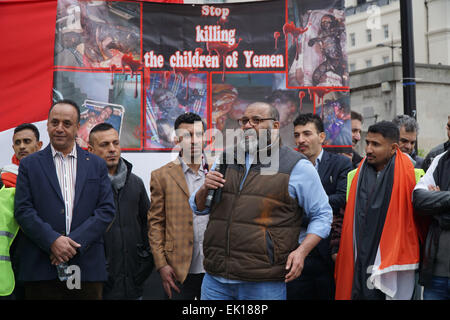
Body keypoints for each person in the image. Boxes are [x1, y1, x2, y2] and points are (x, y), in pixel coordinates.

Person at [190, 102, 332, 300]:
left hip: (263, 281)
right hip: (216, 279)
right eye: (244, 121)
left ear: (275, 127)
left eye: (256, 120)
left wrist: (301, 251)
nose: (248, 125)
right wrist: (204, 188)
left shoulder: (297, 166)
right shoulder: (227, 158)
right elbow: (198, 207)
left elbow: (323, 215)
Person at [14, 100, 115, 300]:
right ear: (48, 125)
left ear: (78, 127)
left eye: (67, 123)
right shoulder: (29, 165)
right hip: (41, 269)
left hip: (86, 269)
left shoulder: (96, 165)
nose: (59, 128)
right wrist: (52, 241)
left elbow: (106, 210)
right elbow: (23, 210)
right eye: (55, 122)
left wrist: (71, 244)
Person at [335, 121, 422, 300]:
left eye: (375, 144)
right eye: (367, 143)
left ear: (393, 148)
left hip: (394, 261)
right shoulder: (355, 174)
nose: (368, 149)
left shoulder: (414, 174)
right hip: (360, 255)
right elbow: (344, 216)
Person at [288, 113, 352, 300]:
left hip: (328, 252)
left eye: (307, 134)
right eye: (297, 135)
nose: (301, 140)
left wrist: (305, 208)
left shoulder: (340, 164)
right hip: (295, 252)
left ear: (322, 137)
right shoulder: (289, 167)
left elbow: (342, 198)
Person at [87, 123, 153, 300]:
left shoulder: (136, 183)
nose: (112, 149)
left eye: (115, 143)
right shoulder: (84, 186)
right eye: (104, 145)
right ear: (91, 150)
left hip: (134, 282)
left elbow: (149, 226)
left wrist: (145, 263)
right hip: (100, 286)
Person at [148, 112, 210, 300]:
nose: (194, 140)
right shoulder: (162, 176)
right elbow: (155, 224)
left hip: (215, 267)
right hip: (178, 269)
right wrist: (161, 265)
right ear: (177, 139)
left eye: (198, 134)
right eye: (187, 135)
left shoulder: (218, 172)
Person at [0, 123, 42, 299]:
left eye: (27, 141)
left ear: (39, 145)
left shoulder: (50, 177)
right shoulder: (3, 178)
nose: (22, 146)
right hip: (12, 263)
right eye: (18, 143)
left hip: (41, 259)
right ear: (13, 147)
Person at [413, 147, 450, 300]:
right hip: (437, 275)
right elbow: (419, 199)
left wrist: (438, 200)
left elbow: (430, 203)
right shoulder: (441, 160)